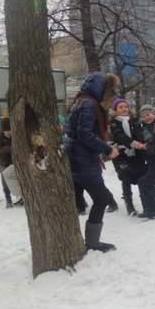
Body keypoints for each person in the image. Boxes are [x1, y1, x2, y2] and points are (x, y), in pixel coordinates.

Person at [64, 72, 120, 252]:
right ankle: (92, 243)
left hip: (75, 157)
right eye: (111, 92)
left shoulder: (80, 101)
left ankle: (76, 241)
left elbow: (80, 132)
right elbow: (85, 134)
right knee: (101, 198)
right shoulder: (89, 104)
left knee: (77, 200)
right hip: (83, 160)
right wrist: (108, 149)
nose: (111, 96)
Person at [110, 99, 149, 216]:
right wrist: (132, 143)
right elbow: (119, 135)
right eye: (120, 107)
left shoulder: (134, 121)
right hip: (121, 155)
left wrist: (142, 143)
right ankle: (129, 205)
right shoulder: (114, 123)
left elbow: (140, 134)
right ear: (116, 110)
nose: (124, 109)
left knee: (142, 178)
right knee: (125, 177)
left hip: (137, 154)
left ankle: (147, 205)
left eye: (126, 107)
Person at [0, 118, 16, 207]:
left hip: (12, 160)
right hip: (2, 161)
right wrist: (10, 148)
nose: (8, 133)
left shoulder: (15, 135)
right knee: (5, 180)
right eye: (6, 131)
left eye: (9, 130)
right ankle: (8, 200)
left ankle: (20, 197)